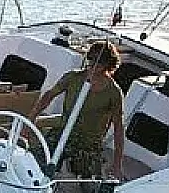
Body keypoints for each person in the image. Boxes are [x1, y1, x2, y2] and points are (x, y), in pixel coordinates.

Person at [31, 40, 125, 179]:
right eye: (91, 59)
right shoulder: (73, 78)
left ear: (108, 64)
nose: (93, 64)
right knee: (34, 164)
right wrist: (31, 118)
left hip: (89, 143)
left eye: (98, 62)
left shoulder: (113, 92)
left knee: (91, 185)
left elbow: (118, 128)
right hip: (62, 133)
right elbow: (49, 95)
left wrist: (117, 165)